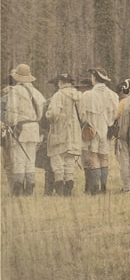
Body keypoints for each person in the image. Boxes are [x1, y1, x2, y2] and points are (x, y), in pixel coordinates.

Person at [2, 64, 47, 196]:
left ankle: (18, 193)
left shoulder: (15, 91)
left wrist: (10, 123)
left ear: (18, 77)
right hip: (34, 129)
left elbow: (11, 112)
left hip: (20, 129)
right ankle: (29, 192)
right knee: (30, 160)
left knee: (19, 160)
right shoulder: (36, 92)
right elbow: (42, 110)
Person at [79, 68, 118, 194]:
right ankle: (103, 188)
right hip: (106, 129)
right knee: (104, 158)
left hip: (92, 130)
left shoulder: (87, 95)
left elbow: (82, 115)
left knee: (93, 157)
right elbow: (115, 114)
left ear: (94, 78)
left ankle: (95, 188)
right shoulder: (113, 95)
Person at [44, 73, 82, 196]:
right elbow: (84, 115)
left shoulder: (58, 95)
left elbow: (54, 113)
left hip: (59, 132)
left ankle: (60, 192)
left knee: (57, 164)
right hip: (75, 134)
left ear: (60, 82)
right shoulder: (79, 96)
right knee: (70, 164)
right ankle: (68, 192)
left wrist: (48, 116)